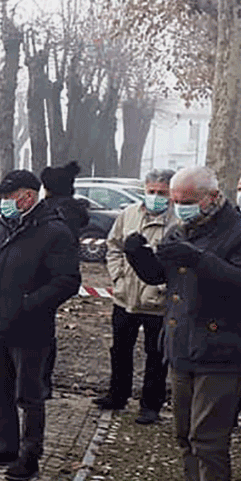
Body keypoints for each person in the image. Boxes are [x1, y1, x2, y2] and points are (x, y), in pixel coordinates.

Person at [123, 166, 241, 481]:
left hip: (221, 352)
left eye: (185, 202)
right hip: (182, 347)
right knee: (184, 436)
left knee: (209, 440)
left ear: (211, 197)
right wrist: (138, 257)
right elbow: (163, 275)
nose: (177, 209)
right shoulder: (183, 229)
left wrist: (198, 259)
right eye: (174, 202)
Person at [0, 170, 81, 481]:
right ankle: (7, 446)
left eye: (8, 196)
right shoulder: (2, 226)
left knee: (29, 395)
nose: (3, 202)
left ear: (27, 196)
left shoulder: (54, 231)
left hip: (31, 328)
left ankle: (29, 456)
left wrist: (29, 304)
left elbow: (67, 280)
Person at [94, 169, 177, 424]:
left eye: (161, 193)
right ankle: (117, 395)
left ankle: (151, 404)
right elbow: (113, 246)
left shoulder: (179, 223)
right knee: (120, 350)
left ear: (171, 194)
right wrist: (117, 277)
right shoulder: (128, 214)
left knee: (156, 355)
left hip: (158, 303)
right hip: (125, 298)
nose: (155, 197)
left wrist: (164, 287)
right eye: (151, 191)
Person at [38, 161, 90, 398]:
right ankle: (43, 381)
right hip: (60, 276)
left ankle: (39, 381)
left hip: (42, 277)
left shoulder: (49, 211)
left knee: (39, 333)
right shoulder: (74, 212)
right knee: (46, 330)